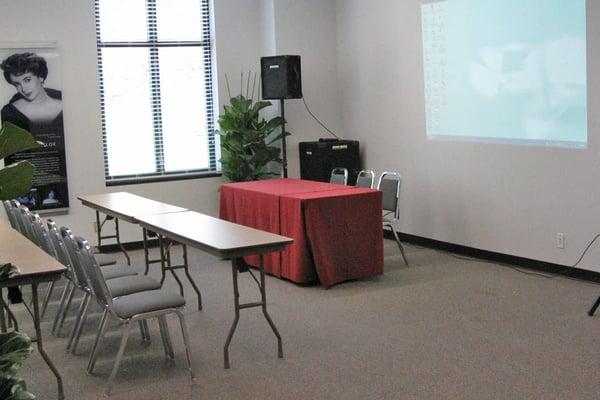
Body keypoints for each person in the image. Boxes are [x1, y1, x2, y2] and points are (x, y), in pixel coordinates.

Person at [0, 52, 63, 134]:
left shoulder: (65, 101)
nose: (23, 88)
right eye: (17, 84)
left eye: (27, 80)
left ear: (40, 77)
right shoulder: (9, 113)